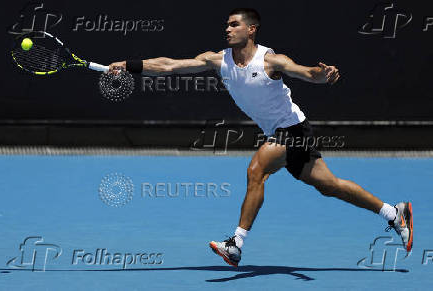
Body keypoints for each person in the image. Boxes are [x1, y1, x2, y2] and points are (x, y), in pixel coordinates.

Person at [109, 8, 413, 267]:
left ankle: (236, 244)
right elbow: (169, 65)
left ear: (251, 29)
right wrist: (128, 65)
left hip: (292, 130)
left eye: (234, 24)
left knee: (256, 170)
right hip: (280, 132)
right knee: (329, 186)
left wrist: (322, 74)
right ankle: (394, 212)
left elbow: (305, 72)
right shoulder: (218, 60)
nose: (227, 29)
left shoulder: (271, 60)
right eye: (227, 25)